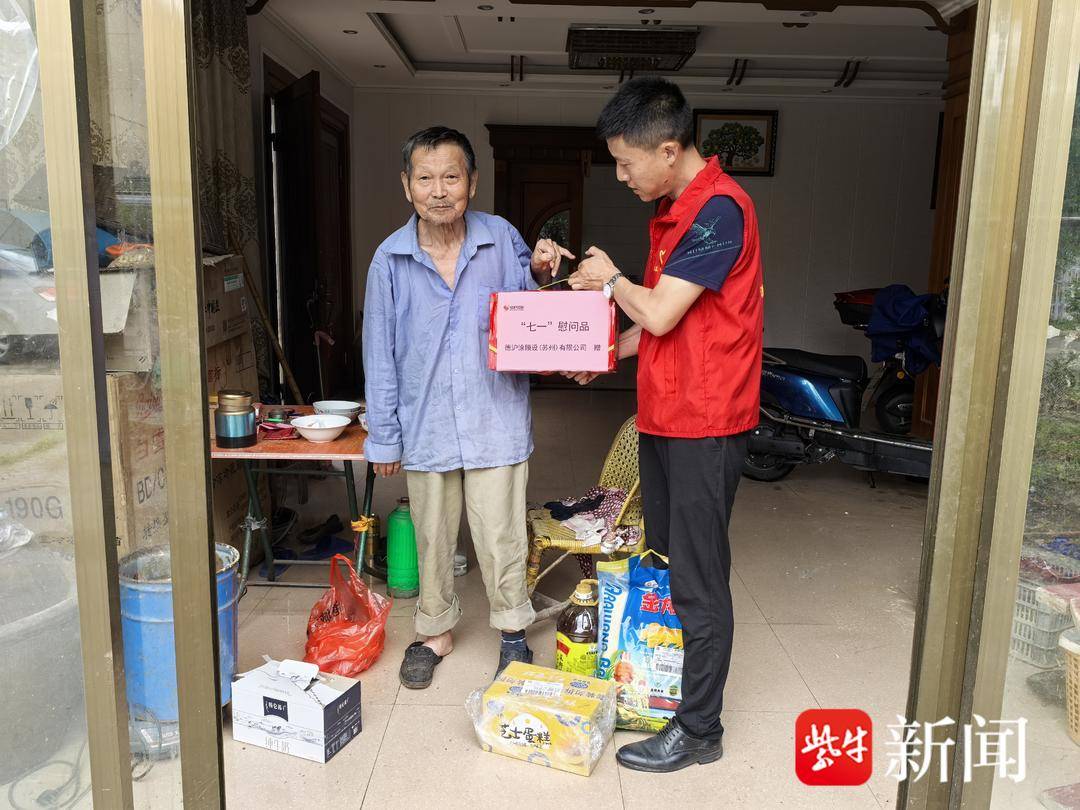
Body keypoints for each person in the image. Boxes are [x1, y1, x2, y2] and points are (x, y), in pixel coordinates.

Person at [567, 78, 763, 772]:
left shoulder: (718, 211)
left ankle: (700, 731)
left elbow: (654, 311)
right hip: (667, 417)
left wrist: (609, 279)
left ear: (670, 148)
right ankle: (671, 696)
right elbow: (663, 326)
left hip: (705, 426)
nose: (620, 176)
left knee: (700, 580)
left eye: (626, 162)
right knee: (673, 561)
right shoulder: (678, 210)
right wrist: (601, 354)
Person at [363, 126, 573, 689]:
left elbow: (528, 301)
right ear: (407, 186)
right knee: (432, 535)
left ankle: (511, 631)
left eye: (451, 177)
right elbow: (378, 355)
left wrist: (542, 267)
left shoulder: (500, 237)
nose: (439, 190)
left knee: (502, 532)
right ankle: (434, 630)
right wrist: (383, 437)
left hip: (493, 417)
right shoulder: (389, 260)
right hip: (426, 422)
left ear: (472, 183)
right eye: (425, 178)